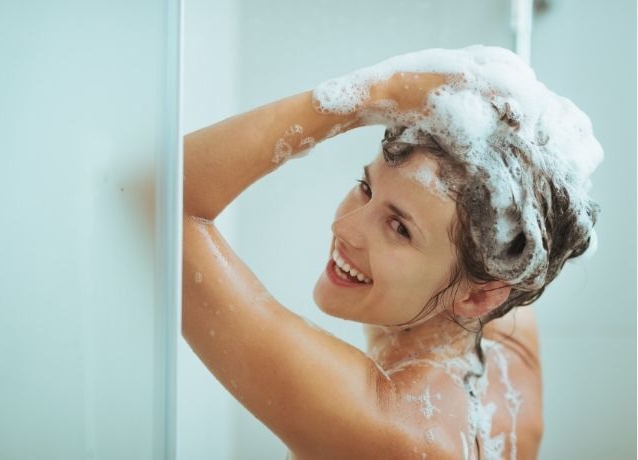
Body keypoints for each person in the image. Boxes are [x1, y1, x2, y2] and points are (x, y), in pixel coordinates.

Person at [182, 46, 601, 459]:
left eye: (399, 228)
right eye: (365, 187)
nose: (343, 227)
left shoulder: (384, 424)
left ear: (478, 297)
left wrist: (372, 94)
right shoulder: (511, 363)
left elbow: (169, 200)